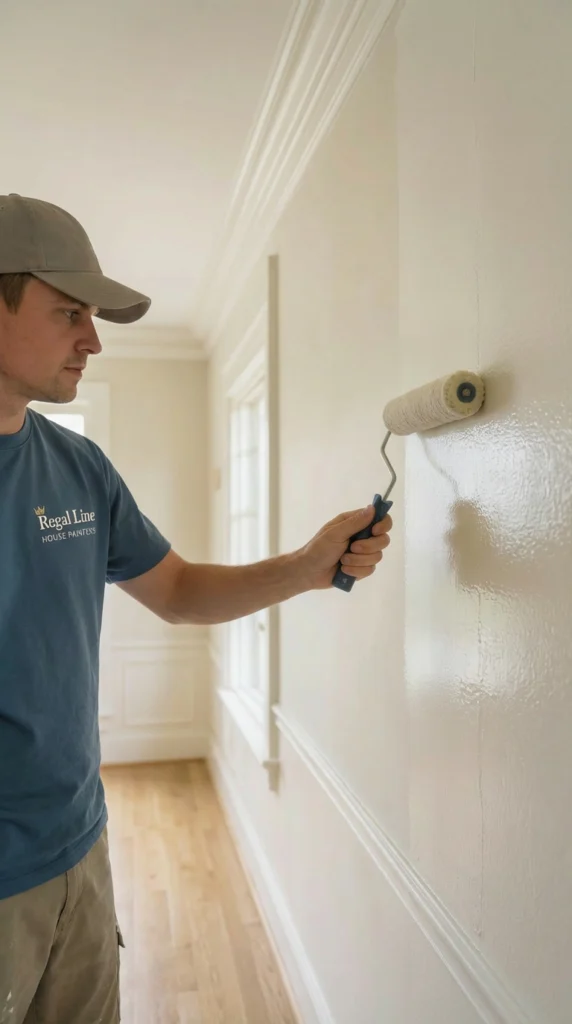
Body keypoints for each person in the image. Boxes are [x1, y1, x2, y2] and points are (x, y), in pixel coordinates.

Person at [0, 194, 392, 1023]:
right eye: (68, 311)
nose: (93, 339)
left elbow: (175, 590)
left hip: (81, 847)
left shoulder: (78, 468)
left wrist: (307, 567)